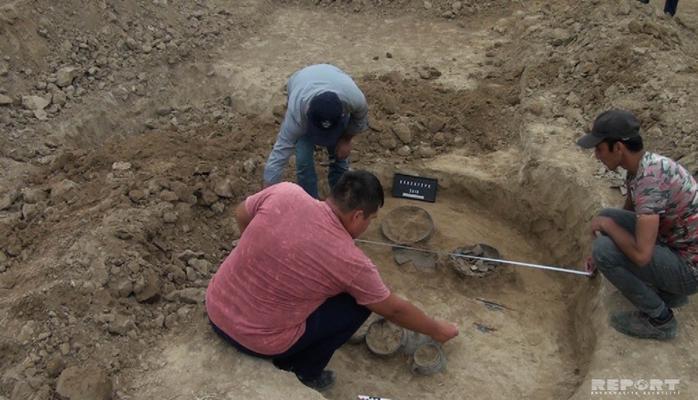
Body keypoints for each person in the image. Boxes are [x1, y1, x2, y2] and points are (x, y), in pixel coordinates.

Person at [206, 170, 458, 391]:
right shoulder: (350, 260)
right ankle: (304, 371)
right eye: (370, 220)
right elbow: (393, 309)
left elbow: (241, 213)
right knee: (357, 304)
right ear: (357, 216)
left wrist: (262, 254)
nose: (368, 225)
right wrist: (438, 330)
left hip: (216, 307)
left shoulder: (285, 192)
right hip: (257, 341)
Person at [577, 109, 698, 340]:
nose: (596, 155)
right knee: (608, 219)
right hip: (676, 246)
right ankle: (668, 291)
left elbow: (642, 256)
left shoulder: (650, 182)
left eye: (599, 148)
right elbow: (628, 214)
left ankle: (660, 319)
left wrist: (607, 233)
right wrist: (607, 228)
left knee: (604, 249)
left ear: (618, 147)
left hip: (690, 270)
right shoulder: (641, 167)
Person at [262, 64, 369, 199]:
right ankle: (309, 201)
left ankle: (340, 200)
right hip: (301, 81)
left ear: (343, 113)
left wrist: (346, 139)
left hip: (335, 79)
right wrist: (265, 196)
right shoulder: (297, 116)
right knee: (303, 161)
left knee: (340, 158)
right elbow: (280, 153)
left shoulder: (354, 99)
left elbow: (360, 118)